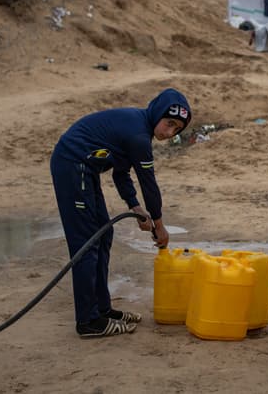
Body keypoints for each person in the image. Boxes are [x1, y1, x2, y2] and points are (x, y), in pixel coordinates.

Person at [50, 89, 191, 338]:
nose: (170, 133)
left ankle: (102, 309)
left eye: (177, 129)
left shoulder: (139, 127)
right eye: (169, 123)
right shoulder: (138, 135)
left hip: (85, 168)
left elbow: (121, 172)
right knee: (87, 242)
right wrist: (159, 225)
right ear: (158, 113)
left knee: (103, 235)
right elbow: (148, 183)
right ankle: (89, 321)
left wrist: (136, 207)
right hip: (72, 164)